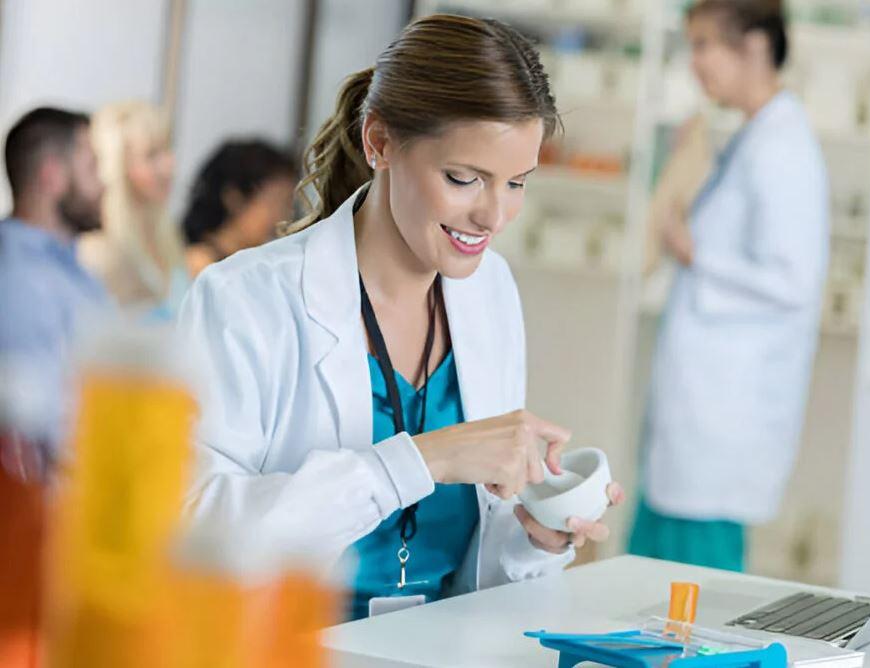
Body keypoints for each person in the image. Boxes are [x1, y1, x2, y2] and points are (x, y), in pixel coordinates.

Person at [176, 14, 624, 621]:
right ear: (380, 142)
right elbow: (196, 534)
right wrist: (421, 460)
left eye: (517, 183)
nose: (494, 216)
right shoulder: (246, 299)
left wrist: (534, 539)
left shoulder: (489, 290)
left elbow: (472, 569)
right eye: (464, 178)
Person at [629, 0, 829, 572]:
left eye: (703, 45)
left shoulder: (783, 147)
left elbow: (793, 280)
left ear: (756, 46)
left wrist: (696, 253)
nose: (694, 63)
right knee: (650, 576)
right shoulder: (753, 136)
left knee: (692, 585)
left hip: (723, 413)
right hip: (700, 404)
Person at [0, 107, 107, 446]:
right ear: (52, 175)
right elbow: (34, 430)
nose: (104, 184)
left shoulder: (72, 271)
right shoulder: (19, 279)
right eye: (92, 167)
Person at [78, 100, 186, 318]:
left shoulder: (167, 238)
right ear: (117, 165)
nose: (169, 165)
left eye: (167, 149)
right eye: (151, 155)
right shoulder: (99, 251)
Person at [181, 139, 297, 277]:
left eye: (286, 205)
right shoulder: (198, 265)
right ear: (234, 197)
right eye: (275, 203)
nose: (282, 217)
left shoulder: (248, 267)